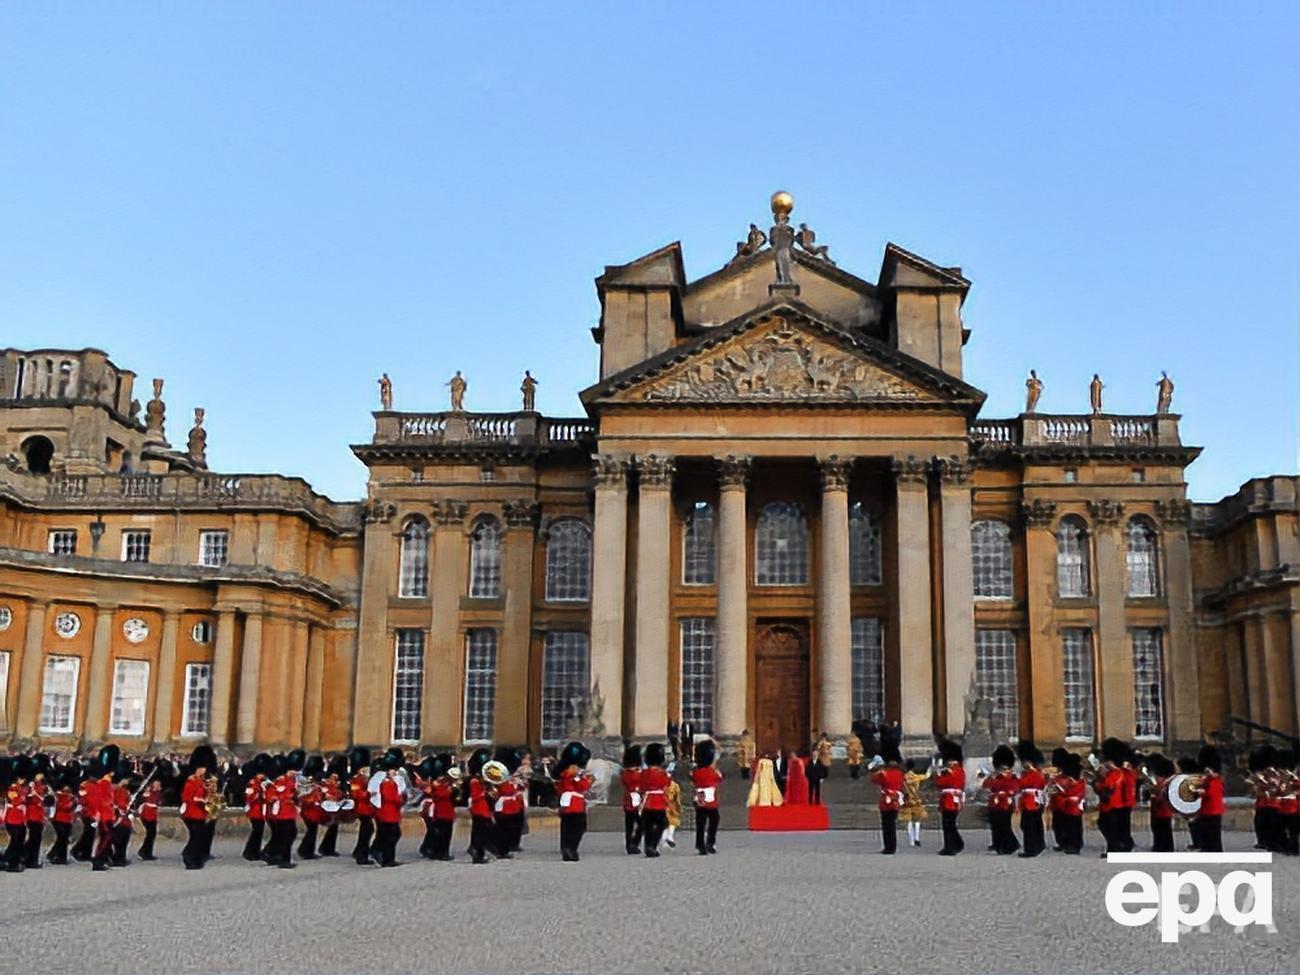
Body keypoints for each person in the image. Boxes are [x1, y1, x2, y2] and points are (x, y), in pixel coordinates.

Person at [555, 741, 593, 862]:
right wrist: (589, 780)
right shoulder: (576, 774)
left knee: (566, 826)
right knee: (579, 827)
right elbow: (583, 787)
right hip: (575, 803)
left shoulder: (564, 773)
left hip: (565, 802)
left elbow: (559, 787)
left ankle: (566, 848)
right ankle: (572, 848)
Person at [982, 745, 1020, 855]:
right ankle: (998, 844)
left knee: (1004, 825)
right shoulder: (994, 777)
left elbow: (1014, 788)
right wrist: (991, 778)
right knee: (995, 824)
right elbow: (986, 786)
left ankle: (1010, 844)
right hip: (995, 803)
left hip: (1005, 803)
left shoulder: (1012, 777)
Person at [179, 748, 214, 870]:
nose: (204, 770)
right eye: (202, 768)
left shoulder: (201, 781)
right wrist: (200, 800)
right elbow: (186, 797)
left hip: (199, 812)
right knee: (196, 836)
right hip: (191, 813)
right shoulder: (191, 782)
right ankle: (188, 856)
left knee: (199, 836)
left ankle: (195, 859)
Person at [264, 757, 300, 869]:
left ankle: (272, 854)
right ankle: (284, 859)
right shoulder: (280, 781)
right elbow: (271, 795)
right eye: (293, 771)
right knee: (286, 836)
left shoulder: (293, 781)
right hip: (281, 812)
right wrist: (286, 797)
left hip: (289, 812)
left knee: (289, 834)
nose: (295, 773)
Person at [871, 743, 906, 854]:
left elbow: (875, 780)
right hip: (895, 799)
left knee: (887, 825)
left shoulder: (884, 773)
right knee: (892, 824)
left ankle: (889, 847)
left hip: (887, 800)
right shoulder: (900, 774)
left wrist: (879, 772)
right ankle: (892, 846)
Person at [492, 747, 527, 856]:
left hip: (513, 804)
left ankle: (508, 846)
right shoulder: (498, 775)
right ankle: (501, 849)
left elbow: (519, 788)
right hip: (503, 805)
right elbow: (502, 790)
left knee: (512, 826)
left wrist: (519, 782)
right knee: (502, 828)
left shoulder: (511, 775)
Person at [639, 743, 671, 858]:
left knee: (648, 826)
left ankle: (648, 846)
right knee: (661, 824)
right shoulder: (663, 774)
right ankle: (653, 845)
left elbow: (641, 787)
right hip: (659, 802)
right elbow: (666, 787)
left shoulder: (643, 773)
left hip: (647, 802)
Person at [935, 738, 966, 856]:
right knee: (950, 823)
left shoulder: (952, 771)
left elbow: (942, 783)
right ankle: (957, 843)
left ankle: (950, 847)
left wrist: (939, 775)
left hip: (950, 799)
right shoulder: (958, 770)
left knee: (948, 824)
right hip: (949, 799)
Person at [372, 757, 406, 867]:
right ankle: (387, 858)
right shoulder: (386, 783)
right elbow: (390, 797)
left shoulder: (392, 783)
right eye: (393, 770)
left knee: (392, 834)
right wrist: (399, 799)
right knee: (391, 835)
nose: (395, 772)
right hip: (388, 812)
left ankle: (385, 856)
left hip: (392, 811)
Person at [1192, 744, 1225, 853]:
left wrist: (1201, 791)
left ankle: (1214, 849)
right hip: (1206, 809)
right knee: (1205, 830)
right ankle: (1206, 847)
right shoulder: (1208, 779)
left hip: (1213, 809)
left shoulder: (1216, 779)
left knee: (1213, 832)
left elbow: (1212, 793)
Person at [692, 739, 722, 855]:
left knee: (701, 823)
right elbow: (719, 778)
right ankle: (710, 842)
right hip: (710, 800)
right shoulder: (712, 771)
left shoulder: (696, 771)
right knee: (714, 820)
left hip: (699, 800)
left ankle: (700, 843)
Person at [1016, 742, 1046, 858]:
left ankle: (1031, 849)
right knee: (1033, 824)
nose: (1023, 764)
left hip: (1032, 802)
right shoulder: (1031, 773)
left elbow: (1025, 785)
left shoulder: (1034, 774)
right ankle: (1038, 845)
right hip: (1030, 801)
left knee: (1029, 826)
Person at [466, 747, 496, 864]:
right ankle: (477, 852)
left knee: (481, 831)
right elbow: (475, 796)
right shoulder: (474, 780)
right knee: (480, 831)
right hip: (479, 808)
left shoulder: (482, 779)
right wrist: (485, 793)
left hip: (484, 808)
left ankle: (477, 850)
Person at [1055, 754, 1086, 855]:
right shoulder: (1070, 779)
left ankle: (1075, 845)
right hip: (1067, 806)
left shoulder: (1078, 781)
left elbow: (1075, 793)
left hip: (1074, 805)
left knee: (1074, 826)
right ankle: (1068, 843)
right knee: (1067, 825)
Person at [349, 748, 376, 865]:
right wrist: (369, 793)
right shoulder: (357, 779)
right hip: (361, 808)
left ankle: (359, 851)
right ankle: (361, 855)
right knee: (367, 830)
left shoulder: (366, 778)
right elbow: (356, 793)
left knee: (367, 830)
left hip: (366, 808)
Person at [1146, 753, 1177, 853]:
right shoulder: (1164, 782)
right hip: (1161, 811)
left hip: (1162, 810)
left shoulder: (1164, 783)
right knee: (1160, 829)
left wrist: (1154, 793)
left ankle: (1163, 847)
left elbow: (1161, 796)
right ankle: (1161, 846)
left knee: (1162, 830)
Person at [242, 755, 269, 861]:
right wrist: (260, 794)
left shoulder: (261, 783)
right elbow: (250, 797)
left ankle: (254, 851)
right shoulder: (252, 783)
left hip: (260, 811)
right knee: (256, 831)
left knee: (258, 832)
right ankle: (250, 852)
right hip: (254, 811)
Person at [4, 762, 29, 873]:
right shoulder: (13, 788)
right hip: (13, 818)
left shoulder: (22, 788)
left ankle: (13, 859)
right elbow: (14, 801)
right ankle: (11, 863)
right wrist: (23, 799)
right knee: (15, 840)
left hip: (19, 818)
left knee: (19, 841)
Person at [46, 774, 77, 864]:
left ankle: (59, 856)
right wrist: (72, 804)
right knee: (62, 838)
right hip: (58, 819)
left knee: (64, 838)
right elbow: (62, 806)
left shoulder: (71, 796)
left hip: (68, 819)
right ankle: (57, 856)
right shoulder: (57, 796)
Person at [900, 759, 930, 847]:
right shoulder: (916, 777)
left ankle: (911, 841)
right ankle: (917, 838)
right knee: (917, 820)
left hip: (907, 800)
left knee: (908, 821)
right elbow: (927, 775)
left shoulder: (903, 778)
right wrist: (930, 768)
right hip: (916, 800)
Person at [620, 744, 644, 855]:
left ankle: (630, 844)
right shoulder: (635, 774)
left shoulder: (626, 774)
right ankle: (633, 843)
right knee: (641, 823)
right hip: (634, 800)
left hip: (629, 800)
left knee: (629, 824)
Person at [24, 768, 48, 869]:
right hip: (32, 814)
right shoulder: (31, 786)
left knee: (36, 839)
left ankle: (31, 859)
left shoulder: (43, 786)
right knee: (34, 838)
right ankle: (30, 860)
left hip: (39, 815)